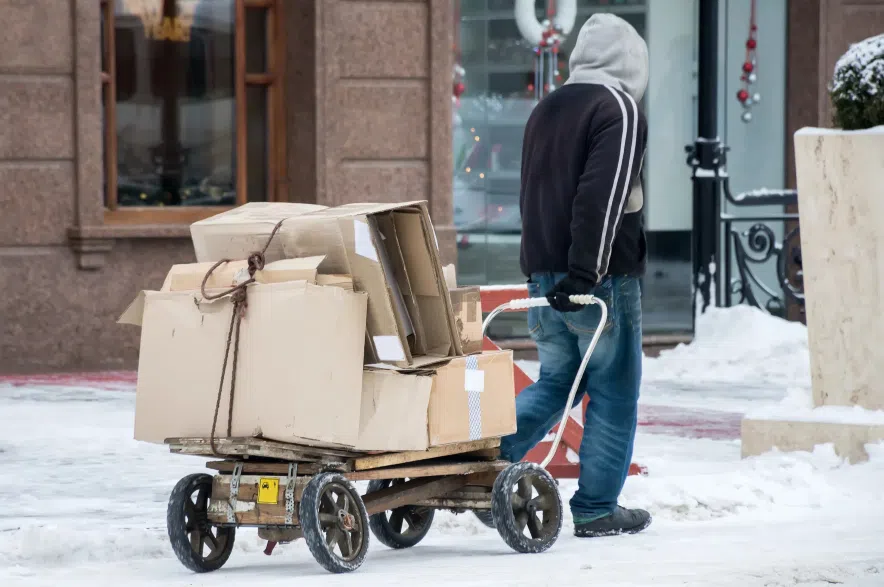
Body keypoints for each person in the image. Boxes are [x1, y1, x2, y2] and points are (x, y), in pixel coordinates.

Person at [499, 13, 651, 538]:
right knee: (614, 389)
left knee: (558, 380)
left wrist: (543, 272)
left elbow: (531, 193)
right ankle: (596, 508)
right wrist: (586, 272)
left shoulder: (547, 108)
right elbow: (601, 195)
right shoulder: (618, 108)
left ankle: (484, 460)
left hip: (542, 273)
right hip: (599, 281)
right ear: (633, 63)